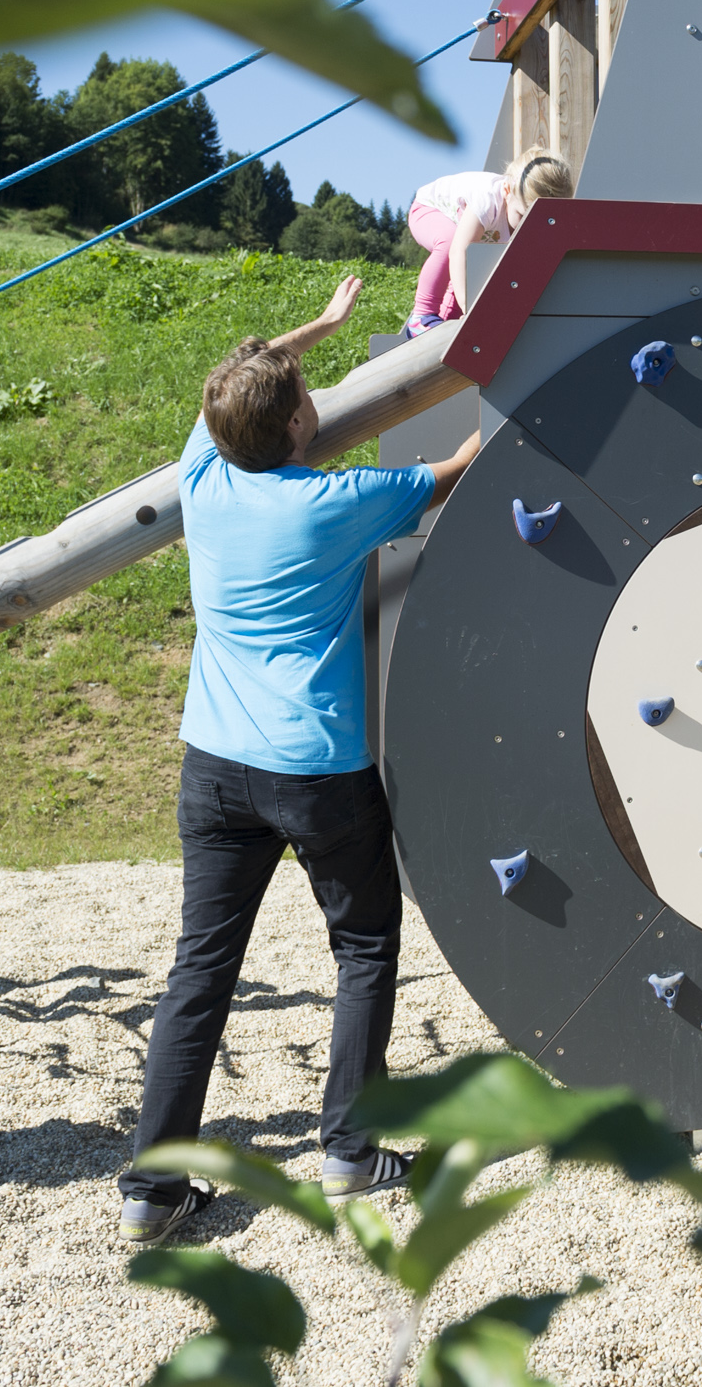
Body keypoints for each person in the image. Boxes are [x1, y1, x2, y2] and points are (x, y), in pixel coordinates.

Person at [117, 273, 484, 1244]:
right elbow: (460, 463)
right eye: (305, 395)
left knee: (201, 967)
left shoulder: (202, 475)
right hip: (314, 767)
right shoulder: (336, 502)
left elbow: (225, 394)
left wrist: (315, 330)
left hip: (213, 762)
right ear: (293, 428)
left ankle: (151, 1189)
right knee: (364, 941)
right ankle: (350, 1147)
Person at [403, 151, 573, 337]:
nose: (529, 226)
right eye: (523, 216)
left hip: (470, 231)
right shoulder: (487, 199)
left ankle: (445, 324)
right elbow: (459, 252)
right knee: (451, 241)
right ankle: (422, 315)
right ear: (507, 191)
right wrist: (469, 307)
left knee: (473, 273)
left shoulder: (523, 209)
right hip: (429, 209)